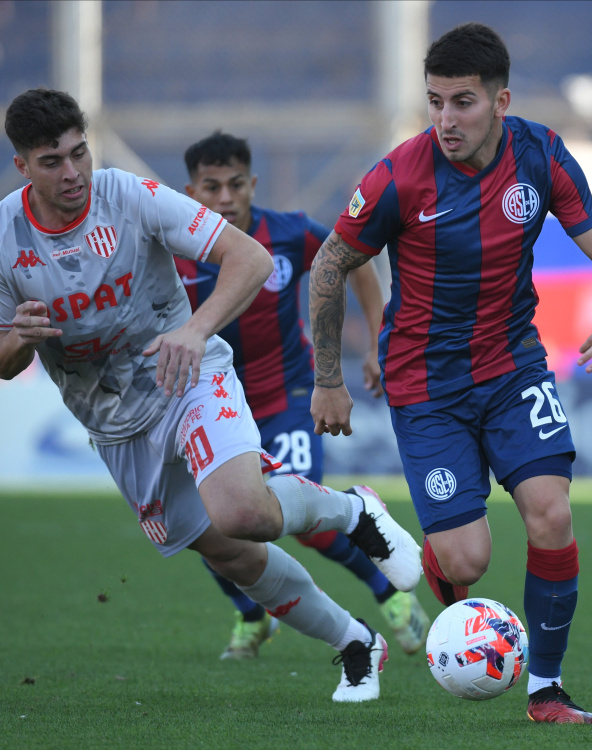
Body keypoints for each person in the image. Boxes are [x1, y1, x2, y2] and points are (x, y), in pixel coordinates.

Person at [0, 88, 422, 703]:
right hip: (116, 425)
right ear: (22, 166)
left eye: (79, 153)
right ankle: (356, 642)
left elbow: (250, 258)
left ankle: (355, 511)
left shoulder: (130, 196)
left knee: (244, 513)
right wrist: (18, 338)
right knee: (233, 557)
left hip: (189, 377)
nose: (73, 172)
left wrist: (194, 330)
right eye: (52, 162)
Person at [309, 23, 592, 725]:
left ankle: (545, 691)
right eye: (435, 102)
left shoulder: (540, 155)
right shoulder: (400, 174)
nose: (446, 119)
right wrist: (328, 378)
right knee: (466, 561)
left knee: (551, 512)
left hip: (513, 364)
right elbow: (330, 262)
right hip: (426, 385)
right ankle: (433, 561)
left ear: (500, 101)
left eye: (463, 102)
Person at [176, 131, 429, 658]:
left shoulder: (288, 233)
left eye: (236, 184)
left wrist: (377, 342)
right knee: (208, 525)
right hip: (212, 407)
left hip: (285, 396)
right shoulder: (173, 250)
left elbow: (353, 260)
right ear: (191, 192)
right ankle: (252, 617)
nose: (226, 197)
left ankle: (390, 593)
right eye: (212, 187)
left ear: (253, 184)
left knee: (302, 516)